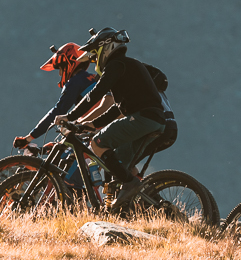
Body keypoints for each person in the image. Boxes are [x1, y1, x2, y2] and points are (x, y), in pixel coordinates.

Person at [62, 26, 170, 207]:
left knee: (97, 144)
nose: (94, 60)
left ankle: (131, 185)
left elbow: (95, 94)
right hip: (155, 121)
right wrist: (92, 124)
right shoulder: (128, 65)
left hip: (143, 119)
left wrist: (70, 116)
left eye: (95, 56)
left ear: (105, 48)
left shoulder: (116, 65)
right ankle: (140, 205)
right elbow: (117, 109)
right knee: (120, 163)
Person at [15, 42, 95, 149]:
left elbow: (58, 111)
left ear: (69, 63)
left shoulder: (75, 82)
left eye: (61, 68)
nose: (60, 74)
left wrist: (29, 138)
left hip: (98, 126)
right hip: (101, 122)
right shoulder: (92, 77)